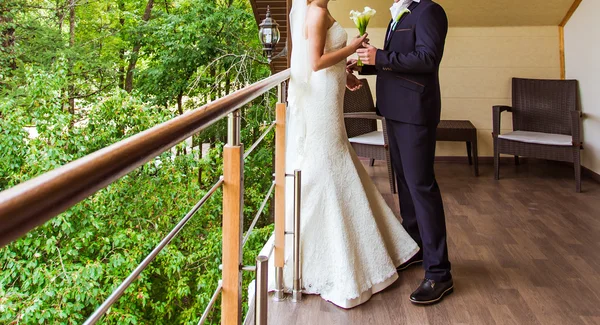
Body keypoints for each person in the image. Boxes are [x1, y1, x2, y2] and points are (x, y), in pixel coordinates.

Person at [267, 0, 420, 309]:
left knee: (336, 156)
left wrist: (346, 72)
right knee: (327, 158)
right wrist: (351, 49)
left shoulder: (324, 10)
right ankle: (313, 254)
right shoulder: (317, 12)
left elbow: (326, 59)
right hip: (322, 99)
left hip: (331, 91)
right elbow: (315, 62)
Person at [351, 0, 453, 304]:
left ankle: (439, 273)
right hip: (394, 111)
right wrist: (364, 63)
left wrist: (379, 55)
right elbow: (397, 62)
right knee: (406, 186)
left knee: (421, 188)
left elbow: (426, 59)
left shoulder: (430, 11)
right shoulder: (399, 13)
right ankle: (417, 248)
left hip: (415, 113)